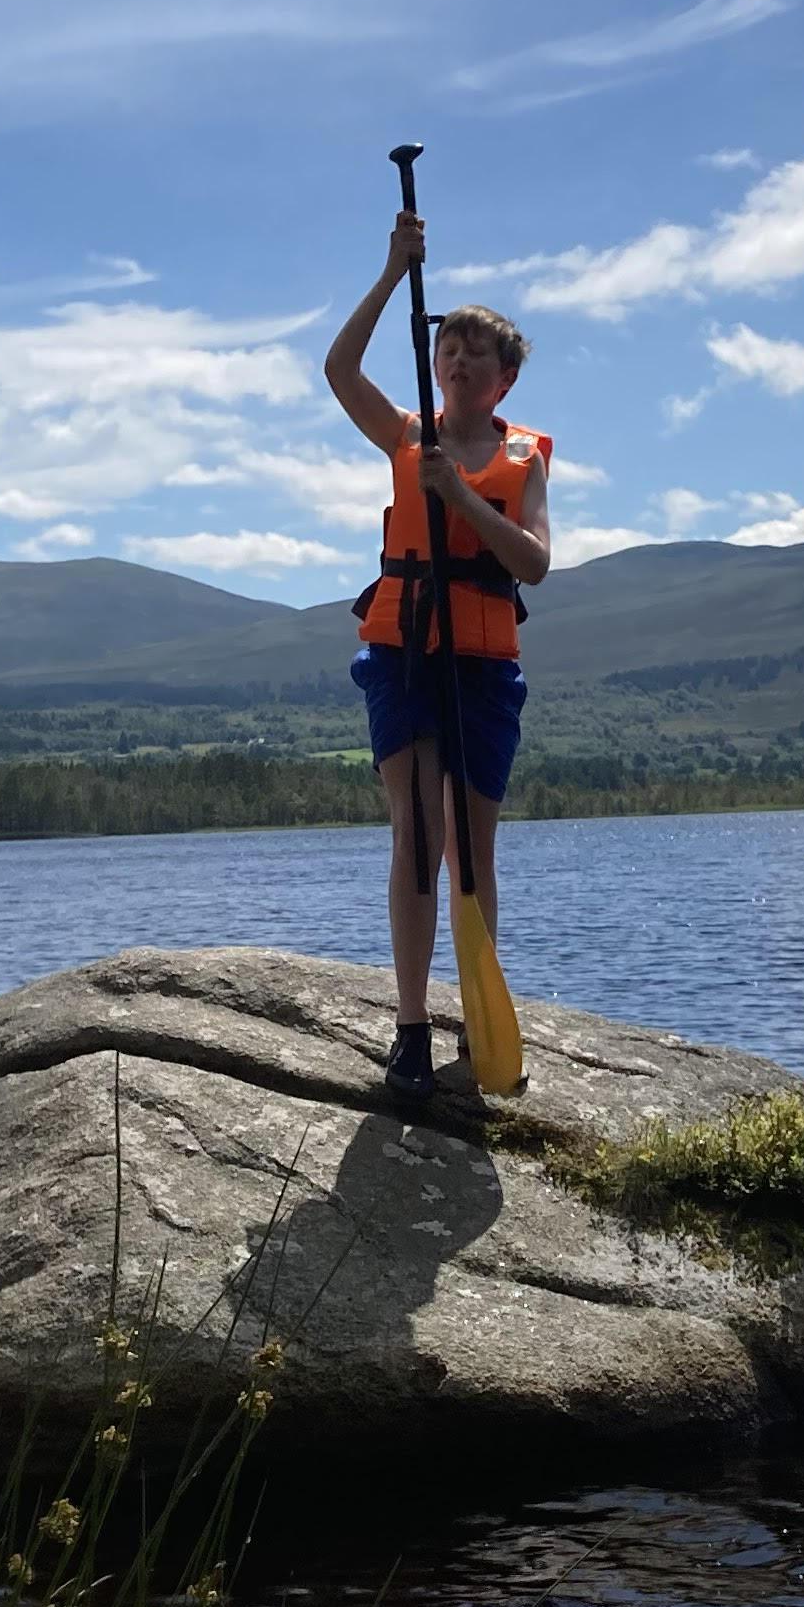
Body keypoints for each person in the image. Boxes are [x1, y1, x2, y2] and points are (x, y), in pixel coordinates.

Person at [324, 200, 550, 1106]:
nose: (455, 359)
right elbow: (339, 370)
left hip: (484, 665)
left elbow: (532, 561)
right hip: (405, 651)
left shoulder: (523, 459)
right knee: (416, 838)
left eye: (475, 353)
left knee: (471, 850)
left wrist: (456, 493)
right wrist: (390, 272)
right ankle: (411, 1026)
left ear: (502, 382)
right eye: (447, 346)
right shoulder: (405, 433)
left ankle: (472, 1019)